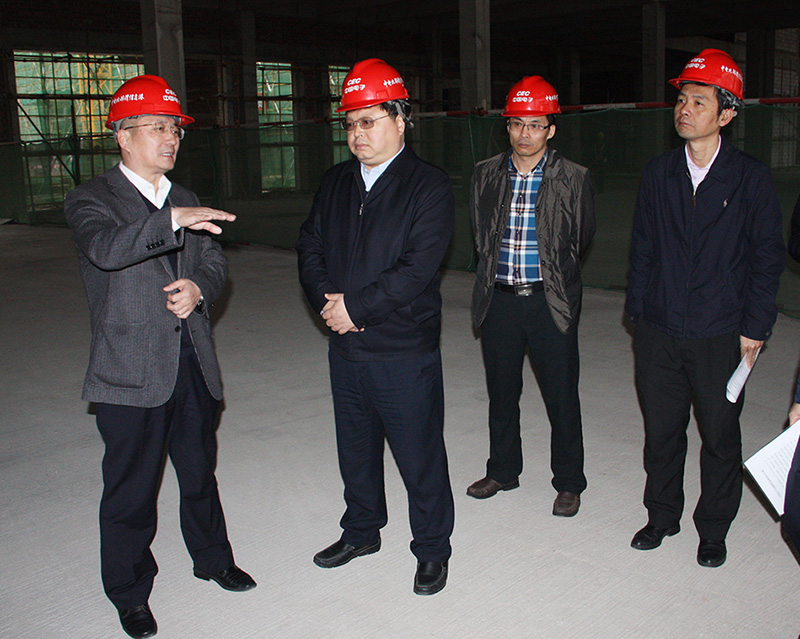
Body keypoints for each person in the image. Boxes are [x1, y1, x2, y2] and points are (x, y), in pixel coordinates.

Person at [64, 75, 255, 638]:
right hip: (128, 370)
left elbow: (214, 263)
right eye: (156, 128)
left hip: (191, 361)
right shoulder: (90, 199)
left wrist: (199, 287)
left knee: (199, 473)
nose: (169, 139)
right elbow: (105, 250)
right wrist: (171, 220)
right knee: (130, 490)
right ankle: (129, 592)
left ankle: (213, 559)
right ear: (123, 136)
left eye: (174, 129)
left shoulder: (185, 196)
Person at [296, 58, 455, 596]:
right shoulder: (336, 181)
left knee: (419, 456)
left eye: (369, 121)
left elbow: (417, 268)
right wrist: (329, 303)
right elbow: (310, 245)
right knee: (355, 449)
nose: (357, 134)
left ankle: (432, 549)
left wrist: (357, 308)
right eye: (350, 123)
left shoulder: (428, 186)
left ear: (401, 119)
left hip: (402, 350)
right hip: (346, 348)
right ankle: (362, 531)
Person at [626, 49, 785, 567]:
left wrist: (755, 327)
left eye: (699, 101)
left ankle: (713, 528)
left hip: (721, 332)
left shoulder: (750, 178)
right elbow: (643, 248)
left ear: (727, 113)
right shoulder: (659, 173)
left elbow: (766, 258)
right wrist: (639, 314)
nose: (685, 109)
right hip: (660, 329)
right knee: (662, 432)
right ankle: (661, 515)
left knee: (719, 435)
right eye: (682, 99)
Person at [466, 76, 595, 518]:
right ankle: (503, 470)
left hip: (548, 303)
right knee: (502, 393)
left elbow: (580, 239)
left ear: (551, 129)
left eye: (535, 124)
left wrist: (556, 284)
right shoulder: (485, 173)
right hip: (499, 300)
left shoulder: (573, 178)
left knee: (562, 397)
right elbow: (481, 234)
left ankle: (569, 482)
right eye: (517, 123)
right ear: (507, 127)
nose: (525, 133)